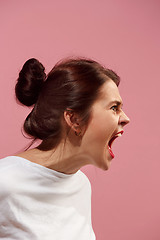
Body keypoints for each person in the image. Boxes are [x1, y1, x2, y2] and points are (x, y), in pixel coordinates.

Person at [0, 57, 130, 239]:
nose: (126, 118)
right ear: (74, 119)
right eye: (114, 107)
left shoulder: (82, 185)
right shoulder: (4, 181)